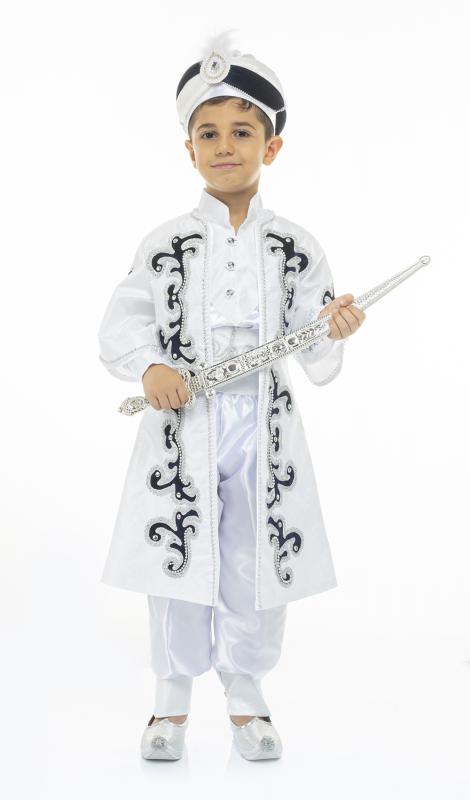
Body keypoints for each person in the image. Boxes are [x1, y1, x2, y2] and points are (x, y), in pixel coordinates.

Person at [97, 30, 366, 762]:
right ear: (188, 149)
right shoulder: (165, 243)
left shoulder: (295, 246)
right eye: (208, 133)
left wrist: (333, 326)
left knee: (254, 556)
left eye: (242, 132)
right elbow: (124, 324)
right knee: (179, 550)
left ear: (270, 147)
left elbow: (316, 345)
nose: (225, 146)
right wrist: (152, 367)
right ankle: (171, 702)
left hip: (263, 425)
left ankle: (247, 697)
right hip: (185, 422)